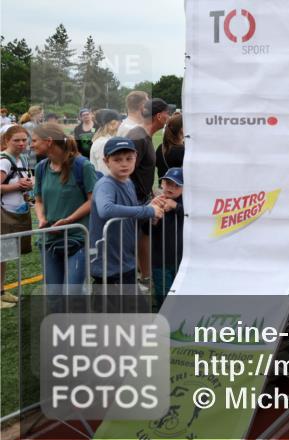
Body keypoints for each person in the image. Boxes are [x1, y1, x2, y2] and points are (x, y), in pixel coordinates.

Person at [89, 137, 166, 286]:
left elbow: (130, 210)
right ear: (106, 161)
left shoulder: (128, 182)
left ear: (135, 158)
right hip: (108, 265)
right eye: (117, 160)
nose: (124, 164)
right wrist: (147, 211)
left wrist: (150, 207)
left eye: (129, 158)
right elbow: (106, 210)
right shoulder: (106, 184)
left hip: (126, 261)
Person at [31, 124, 96, 289]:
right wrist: (42, 220)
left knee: (72, 293)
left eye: (34, 140)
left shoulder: (83, 166)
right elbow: (38, 201)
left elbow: (92, 200)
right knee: (53, 294)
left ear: (49, 141)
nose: (31, 145)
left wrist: (68, 220)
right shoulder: (40, 168)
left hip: (77, 238)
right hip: (49, 240)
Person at [127, 98, 170, 287]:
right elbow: (126, 171)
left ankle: (145, 277)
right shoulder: (138, 136)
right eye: (168, 113)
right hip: (133, 201)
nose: (169, 117)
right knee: (131, 242)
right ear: (159, 116)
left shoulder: (144, 136)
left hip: (142, 198)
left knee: (144, 237)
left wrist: (150, 193)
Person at [1, 126, 34, 308]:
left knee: (3, 255)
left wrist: (26, 189)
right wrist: (18, 186)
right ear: (6, 140)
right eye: (17, 140)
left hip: (14, 213)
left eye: (24, 140)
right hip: (4, 215)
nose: (21, 144)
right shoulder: (4, 161)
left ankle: (1, 291)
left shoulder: (21, 158)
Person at [150, 167, 183, 305]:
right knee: (164, 297)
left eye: (177, 185)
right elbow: (145, 230)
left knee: (182, 296)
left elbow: (193, 215)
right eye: (168, 183)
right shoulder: (156, 202)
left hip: (181, 262)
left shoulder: (186, 204)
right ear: (162, 183)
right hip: (160, 262)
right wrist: (152, 218)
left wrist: (176, 206)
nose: (171, 188)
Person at [89, 109, 121, 175]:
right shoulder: (103, 143)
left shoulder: (108, 140)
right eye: (119, 122)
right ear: (112, 124)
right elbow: (104, 171)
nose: (121, 124)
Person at [156, 113, 184, 179]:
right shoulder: (183, 151)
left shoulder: (161, 147)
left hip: (163, 187)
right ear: (182, 129)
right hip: (177, 187)